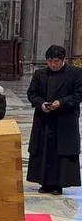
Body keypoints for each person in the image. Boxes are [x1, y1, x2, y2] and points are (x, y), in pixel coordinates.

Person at [26, 45, 82, 195]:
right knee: (44, 150)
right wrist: (41, 104)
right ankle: (44, 182)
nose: (52, 64)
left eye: (56, 61)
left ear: (63, 60)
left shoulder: (75, 74)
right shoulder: (40, 74)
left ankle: (58, 184)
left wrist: (61, 103)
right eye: (50, 61)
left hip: (65, 119)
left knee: (60, 152)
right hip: (44, 118)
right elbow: (32, 93)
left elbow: (78, 95)